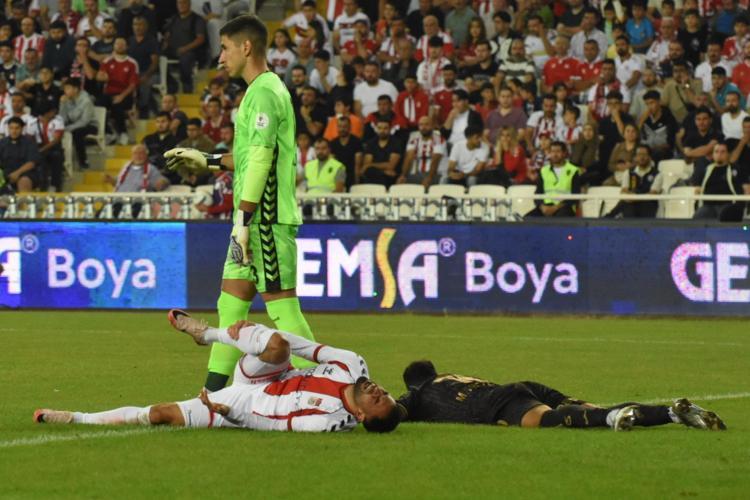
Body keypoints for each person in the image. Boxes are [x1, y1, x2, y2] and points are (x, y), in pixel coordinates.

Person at [164, 15, 318, 392]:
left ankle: (326, 388)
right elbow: (248, 158)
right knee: (230, 304)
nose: (220, 58)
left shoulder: (265, 92)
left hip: (265, 221)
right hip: (250, 220)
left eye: (225, 48)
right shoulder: (259, 91)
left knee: (283, 308)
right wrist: (206, 159)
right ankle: (213, 394)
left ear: (246, 47)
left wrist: (244, 222)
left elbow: (261, 161)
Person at [34, 311, 401, 434]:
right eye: (384, 392)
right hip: (268, 372)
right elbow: (303, 345)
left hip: (247, 401)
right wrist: (256, 335)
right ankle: (206, 334)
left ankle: (75, 417)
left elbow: (272, 423)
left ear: (360, 416)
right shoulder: (353, 363)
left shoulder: (326, 421)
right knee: (279, 345)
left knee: (160, 414)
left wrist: (232, 414)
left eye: (378, 401)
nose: (378, 391)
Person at [395, 360, 726, 431]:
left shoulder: (421, 392)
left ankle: (615, 418)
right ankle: (673, 412)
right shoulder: (450, 376)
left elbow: (395, 411)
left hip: (499, 403)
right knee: (589, 410)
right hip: (518, 386)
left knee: (550, 420)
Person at [96, 36, 138, 145]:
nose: (119, 46)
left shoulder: (132, 63)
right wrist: (101, 77)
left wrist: (121, 96)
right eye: (117, 43)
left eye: (122, 44)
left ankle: (123, 133)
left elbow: (133, 85)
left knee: (117, 105)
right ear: (114, 46)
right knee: (98, 104)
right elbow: (100, 76)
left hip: (125, 94)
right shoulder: (107, 61)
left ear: (127, 46)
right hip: (109, 93)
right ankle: (108, 133)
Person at [691, 141, 750, 220]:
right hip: (708, 205)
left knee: (728, 215)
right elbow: (697, 190)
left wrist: (743, 206)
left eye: (723, 152)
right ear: (713, 154)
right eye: (716, 151)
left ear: (728, 154)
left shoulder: (737, 169)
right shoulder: (705, 170)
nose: (719, 154)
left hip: (729, 204)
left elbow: (747, 190)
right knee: (698, 216)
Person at [162, 0, 207, 94]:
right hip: (173, 50)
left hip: (190, 51)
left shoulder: (197, 19)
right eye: (179, 3)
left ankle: (187, 87)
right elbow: (167, 34)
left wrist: (185, 48)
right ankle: (171, 84)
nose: (181, 5)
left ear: (189, 4)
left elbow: (200, 39)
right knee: (158, 57)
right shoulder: (174, 19)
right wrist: (165, 43)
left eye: (184, 3)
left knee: (185, 59)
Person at [527, 140, 581, 217]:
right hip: (545, 206)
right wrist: (542, 207)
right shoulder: (544, 170)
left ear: (564, 153)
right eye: (552, 151)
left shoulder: (573, 170)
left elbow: (575, 196)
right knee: (527, 219)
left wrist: (555, 208)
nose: (555, 154)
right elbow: (538, 193)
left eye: (558, 151)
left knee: (558, 219)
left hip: (564, 207)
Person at [59, 77, 96, 170]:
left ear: (75, 89)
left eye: (68, 88)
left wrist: (69, 128)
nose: (65, 91)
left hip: (90, 125)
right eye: (65, 89)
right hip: (73, 124)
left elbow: (84, 121)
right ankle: (62, 162)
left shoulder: (86, 101)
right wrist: (62, 104)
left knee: (77, 133)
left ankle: (83, 162)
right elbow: (63, 119)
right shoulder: (67, 100)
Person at [398, 115, 446, 186]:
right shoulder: (414, 140)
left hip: (436, 174)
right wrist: (403, 175)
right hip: (417, 173)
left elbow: (435, 161)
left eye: (427, 124)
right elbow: (409, 158)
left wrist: (429, 178)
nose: (423, 127)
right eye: (421, 125)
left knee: (426, 184)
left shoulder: (440, 140)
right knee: (400, 183)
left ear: (432, 126)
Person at [0, 116, 40, 192]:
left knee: (24, 181)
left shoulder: (29, 143)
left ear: (22, 129)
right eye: (11, 128)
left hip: (25, 173)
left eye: (17, 128)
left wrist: (17, 173)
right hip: (6, 173)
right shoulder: (2, 143)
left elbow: (31, 163)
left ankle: (24, 200)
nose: (14, 131)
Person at [360, 117, 402, 188]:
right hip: (375, 175)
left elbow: (391, 166)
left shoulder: (396, 143)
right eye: (379, 128)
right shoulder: (371, 143)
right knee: (369, 172)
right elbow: (366, 164)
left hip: (389, 179)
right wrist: (383, 171)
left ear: (390, 129)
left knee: (372, 172)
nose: (382, 131)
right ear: (376, 129)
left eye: (385, 128)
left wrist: (371, 165)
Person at [329, 114, 362, 190]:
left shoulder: (357, 142)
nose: (342, 129)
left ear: (350, 127)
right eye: (340, 126)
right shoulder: (333, 143)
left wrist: (357, 183)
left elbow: (357, 164)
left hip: (352, 175)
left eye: (344, 126)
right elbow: (332, 163)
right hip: (338, 176)